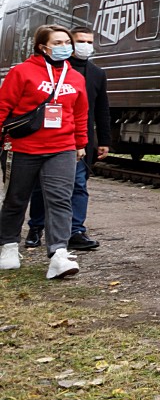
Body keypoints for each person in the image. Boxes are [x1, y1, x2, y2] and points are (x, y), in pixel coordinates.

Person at [0, 24, 89, 279]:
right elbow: (3, 105)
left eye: (67, 43)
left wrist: (80, 143)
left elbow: (80, 113)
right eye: (58, 43)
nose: (65, 48)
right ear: (43, 47)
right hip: (23, 147)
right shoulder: (22, 72)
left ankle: (59, 254)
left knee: (60, 199)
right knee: (16, 198)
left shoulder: (75, 77)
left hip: (61, 148)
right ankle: (8, 245)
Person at [25, 26, 111, 251]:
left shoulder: (96, 73)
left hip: (78, 140)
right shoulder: (52, 68)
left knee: (78, 186)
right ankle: (36, 227)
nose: (85, 46)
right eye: (80, 41)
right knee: (41, 188)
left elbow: (100, 109)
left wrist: (104, 140)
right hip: (47, 137)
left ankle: (76, 231)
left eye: (90, 42)